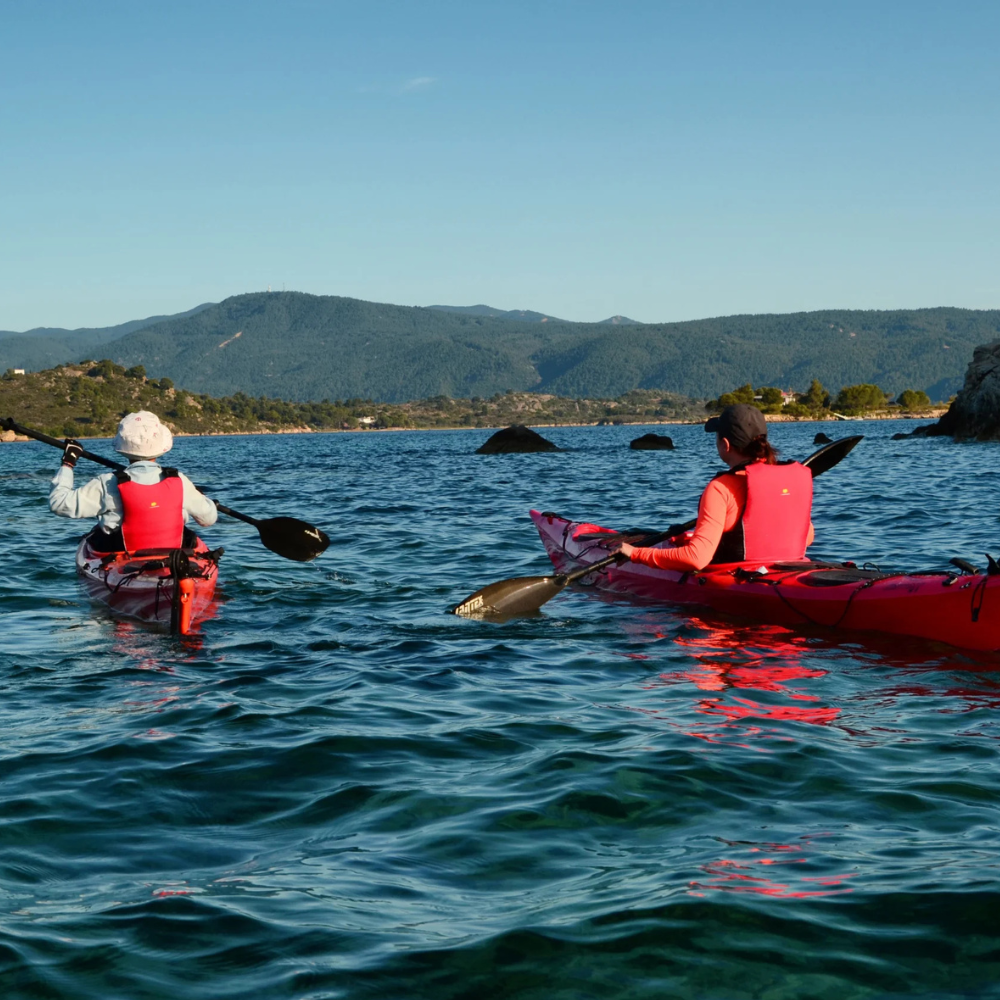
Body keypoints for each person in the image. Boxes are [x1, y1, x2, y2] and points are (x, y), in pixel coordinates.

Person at [618, 403, 814, 571]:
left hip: (740, 580)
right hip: (789, 570)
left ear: (725, 444)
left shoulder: (721, 489)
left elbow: (696, 558)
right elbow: (807, 537)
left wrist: (635, 553)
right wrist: (692, 541)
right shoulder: (788, 479)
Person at [49, 411, 218, 552]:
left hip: (123, 557)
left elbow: (59, 503)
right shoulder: (179, 481)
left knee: (96, 534)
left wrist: (68, 463)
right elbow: (208, 519)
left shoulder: (108, 483)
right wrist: (205, 501)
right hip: (172, 557)